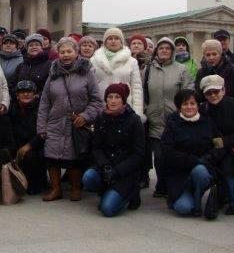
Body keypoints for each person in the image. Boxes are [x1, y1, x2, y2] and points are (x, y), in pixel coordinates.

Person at [37, 37, 104, 202]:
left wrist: (85, 116)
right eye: (62, 52)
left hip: (76, 123)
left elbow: (97, 101)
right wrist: (41, 126)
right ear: (58, 54)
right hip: (54, 122)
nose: (66, 55)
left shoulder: (86, 72)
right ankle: (56, 189)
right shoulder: (53, 73)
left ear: (76, 52)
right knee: (51, 158)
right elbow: (45, 102)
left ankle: (75, 188)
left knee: (74, 157)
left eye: (69, 51)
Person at [82, 83, 145, 217]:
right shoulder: (101, 118)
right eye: (110, 97)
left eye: (117, 97)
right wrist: (105, 165)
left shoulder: (134, 120)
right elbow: (97, 147)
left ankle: (131, 193)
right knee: (88, 177)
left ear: (123, 100)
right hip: (106, 166)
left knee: (107, 209)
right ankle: (106, 191)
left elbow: (138, 154)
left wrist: (117, 171)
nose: (113, 101)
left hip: (125, 171)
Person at [144, 37, 193, 196]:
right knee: (159, 157)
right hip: (155, 120)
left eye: (167, 48)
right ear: (156, 51)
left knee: (173, 155)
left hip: (175, 121)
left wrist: (183, 112)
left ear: (172, 52)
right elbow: (143, 92)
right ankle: (162, 185)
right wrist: (146, 109)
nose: (164, 50)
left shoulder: (181, 69)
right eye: (161, 48)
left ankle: (174, 184)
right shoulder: (148, 69)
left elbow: (188, 92)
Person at [161, 89, 220, 217]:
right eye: (185, 104)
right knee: (183, 209)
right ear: (179, 107)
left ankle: (197, 204)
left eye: (192, 103)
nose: (189, 107)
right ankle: (182, 196)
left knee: (200, 171)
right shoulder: (172, 124)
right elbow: (168, 152)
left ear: (198, 105)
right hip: (179, 174)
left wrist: (210, 157)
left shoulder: (207, 121)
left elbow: (218, 145)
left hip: (203, 169)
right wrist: (193, 160)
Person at [200, 75, 234, 215]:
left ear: (223, 90)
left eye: (216, 91)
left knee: (228, 165)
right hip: (212, 149)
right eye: (209, 93)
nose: (213, 95)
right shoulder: (203, 108)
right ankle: (220, 196)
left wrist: (224, 142)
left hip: (233, 149)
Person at [90, 27, 144, 122]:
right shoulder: (94, 60)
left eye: (116, 38)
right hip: (101, 109)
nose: (113, 41)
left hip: (125, 109)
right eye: (110, 38)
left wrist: (137, 113)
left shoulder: (131, 61)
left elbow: (136, 88)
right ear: (105, 42)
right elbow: (90, 87)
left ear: (121, 41)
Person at [7, 80, 47, 194]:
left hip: (37, 144)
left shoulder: (41, 109)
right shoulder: (12, 109)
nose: (26, 94)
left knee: (31, 156)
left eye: (29, 91)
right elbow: (8, 131)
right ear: (17, 95)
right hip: (16, 143)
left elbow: (42, 132)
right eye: (22, 91)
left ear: (35, 94)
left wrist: (29, 146)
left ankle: (35, 184)